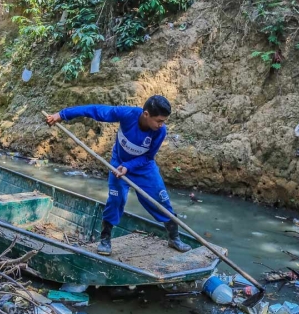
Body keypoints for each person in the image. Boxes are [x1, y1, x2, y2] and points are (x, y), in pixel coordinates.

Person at [46, 95, 191, 256]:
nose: (161, 124)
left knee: (161, 201)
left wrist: (128, 167)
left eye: (163, 121)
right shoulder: (127, 114)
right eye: (158, 120)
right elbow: (94, 110)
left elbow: (148, 157)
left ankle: (174, 238)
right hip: (118, 163)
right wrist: (62, 115)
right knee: (116, 200)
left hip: (143, 167)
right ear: (146, 114)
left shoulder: (160, 131)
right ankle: (105, 239)